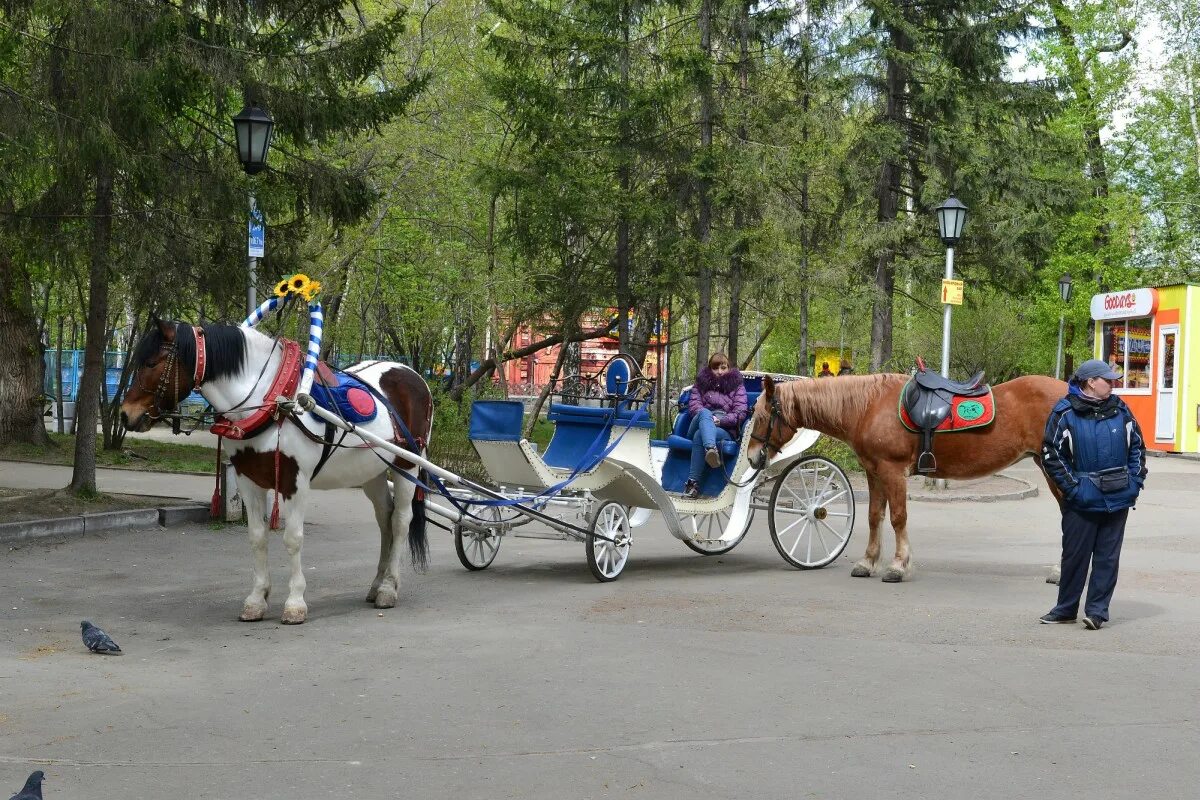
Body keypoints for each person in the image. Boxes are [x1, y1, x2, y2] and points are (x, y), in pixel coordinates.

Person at [1040, 359, 1147, 630]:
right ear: (1090, 382)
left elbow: (1137, 447)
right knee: (1074, 556)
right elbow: (1052, 454)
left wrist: (1134, 481)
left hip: (1118, 496)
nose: (1113, 384)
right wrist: (1073, 488)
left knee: (1107, 558)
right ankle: (1065, 609)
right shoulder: (1065, 412)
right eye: (1107, 380)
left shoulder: (1121, 410)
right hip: (1082, 499)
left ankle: (1097, 612)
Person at [683, 353, 748, 499]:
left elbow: (740, 413)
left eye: (723, 367)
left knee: (700, 435)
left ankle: (692, 484)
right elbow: (694, 407)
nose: (719, 371)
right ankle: (711, 449)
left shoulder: (737, 386)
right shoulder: (700, 384)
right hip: (699, 421)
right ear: (709, 369)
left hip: (723, 428)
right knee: (704, 412)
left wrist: (721, 421)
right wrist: (708, 418)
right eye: (715, 368)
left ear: (728, 368)